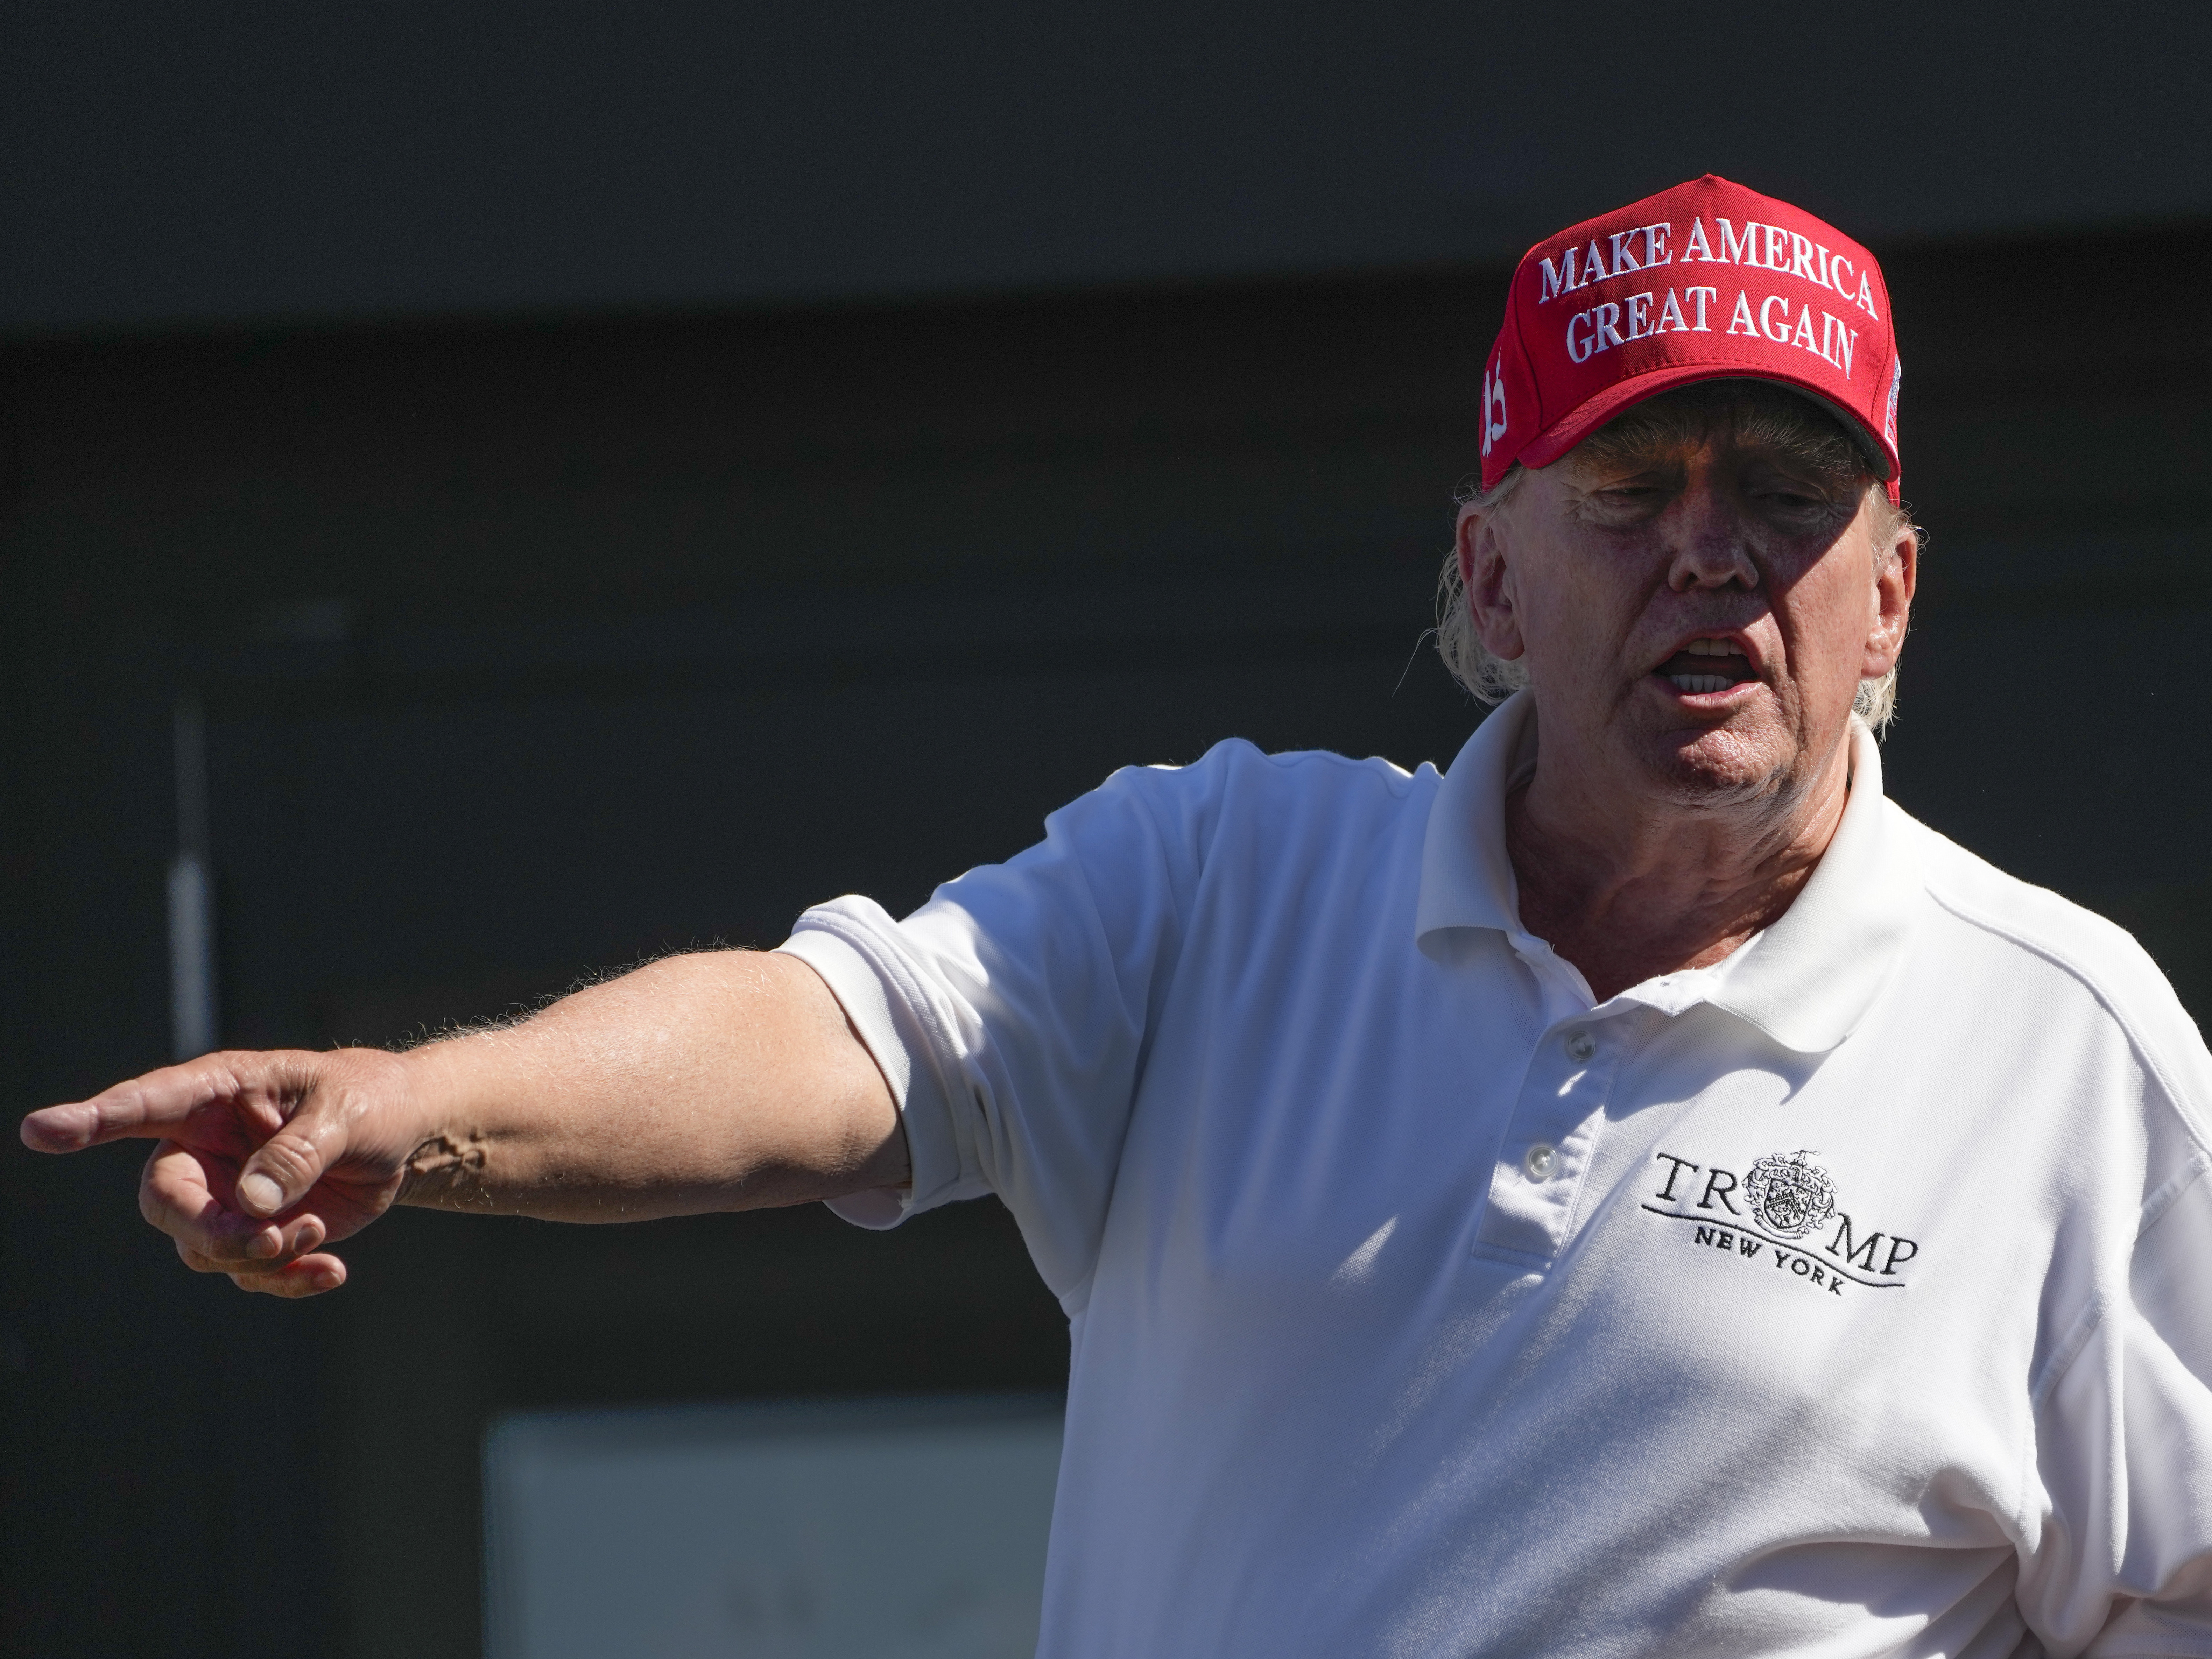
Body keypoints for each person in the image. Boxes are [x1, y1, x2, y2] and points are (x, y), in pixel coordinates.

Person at [24, 175, 2212, 1657]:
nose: (1716, 557)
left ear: (1893, 591)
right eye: (1633, 493)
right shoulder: (1231, 881)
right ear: (1490, 580)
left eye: (1794, 500)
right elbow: (833, 1041)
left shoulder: (2064, 1052)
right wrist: (427, 1107)